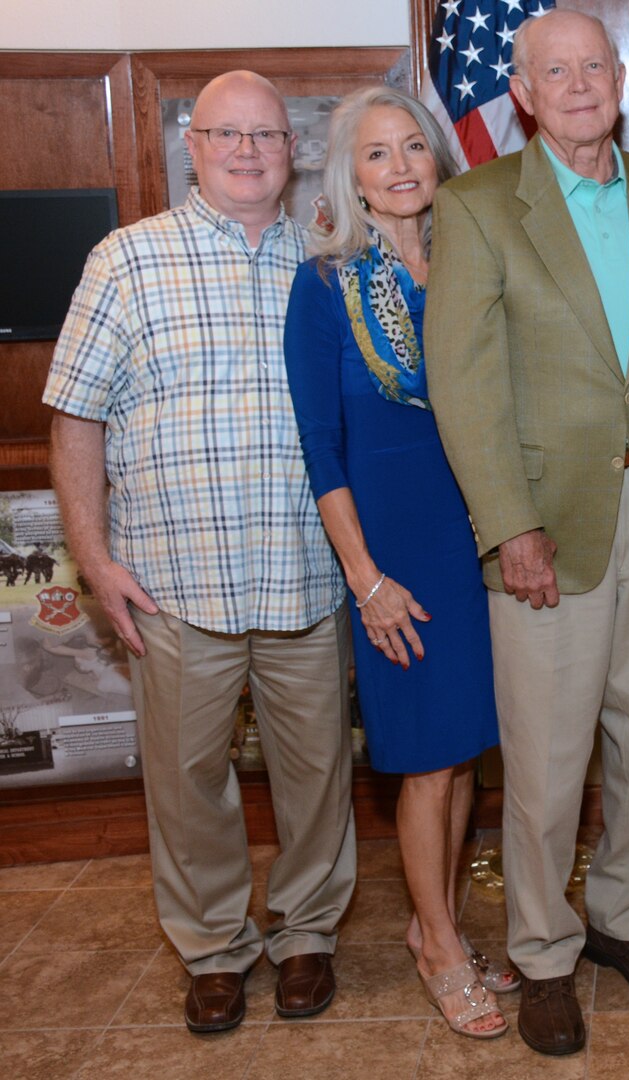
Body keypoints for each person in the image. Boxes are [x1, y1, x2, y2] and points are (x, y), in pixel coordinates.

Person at [424, 10, 629, 1057]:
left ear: (621, 78)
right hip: (546, 538)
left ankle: (623, 921)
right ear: (519, 91)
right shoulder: (475, 208)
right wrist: (508, 524)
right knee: (550, 765)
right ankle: (545, 953)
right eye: (551, 71)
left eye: (592, 67)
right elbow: (463, 387)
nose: (575, 85)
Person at [44, 70, 356, 1034]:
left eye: (266, 135)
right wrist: (95, 560)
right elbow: (75, 419)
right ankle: (216, 948)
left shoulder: (329, 260)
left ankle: (305, 935)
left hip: (310, 572)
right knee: (187, 788)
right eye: (228, 134)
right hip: (174, 582)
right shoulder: (126, 261)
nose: (249, 152)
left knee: (318, 778)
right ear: (193, 144)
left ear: (293, 150)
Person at [282, 85, 511, 1040]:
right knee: (423, 761)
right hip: (395, 557)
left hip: (476, 540)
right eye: (377, 154)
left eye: (413, 146)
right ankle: (441, 950)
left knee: (461, 759)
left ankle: (438, 922)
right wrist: (366, 581)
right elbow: (321, 452)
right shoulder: (324, 285)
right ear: (351, 178)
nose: (402, 166)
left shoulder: (472, 260)